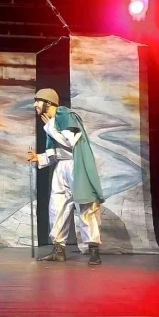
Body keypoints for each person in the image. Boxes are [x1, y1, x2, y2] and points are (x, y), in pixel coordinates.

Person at [27, 88, 104, 265]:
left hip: (76, 165)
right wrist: (39, 157)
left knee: (85, 206)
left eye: (38, 101)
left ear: (48, 103)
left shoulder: (65, 114)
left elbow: (71, 142)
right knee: (57, 206)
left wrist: (50, 128)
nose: (35, 105)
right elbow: (56, 152)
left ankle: (93, 250)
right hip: (61, 167)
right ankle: (58, 249)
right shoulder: (52, 123)